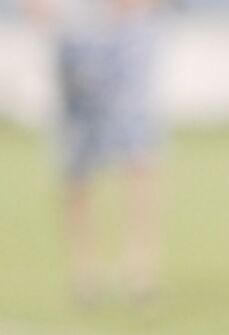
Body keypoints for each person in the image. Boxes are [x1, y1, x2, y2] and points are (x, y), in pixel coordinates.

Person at [24, 0, 164, 306]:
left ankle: (139, 265)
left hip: (128, 30)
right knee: (75, 159)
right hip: (74, 34)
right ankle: (84, 268)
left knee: (138, 149)